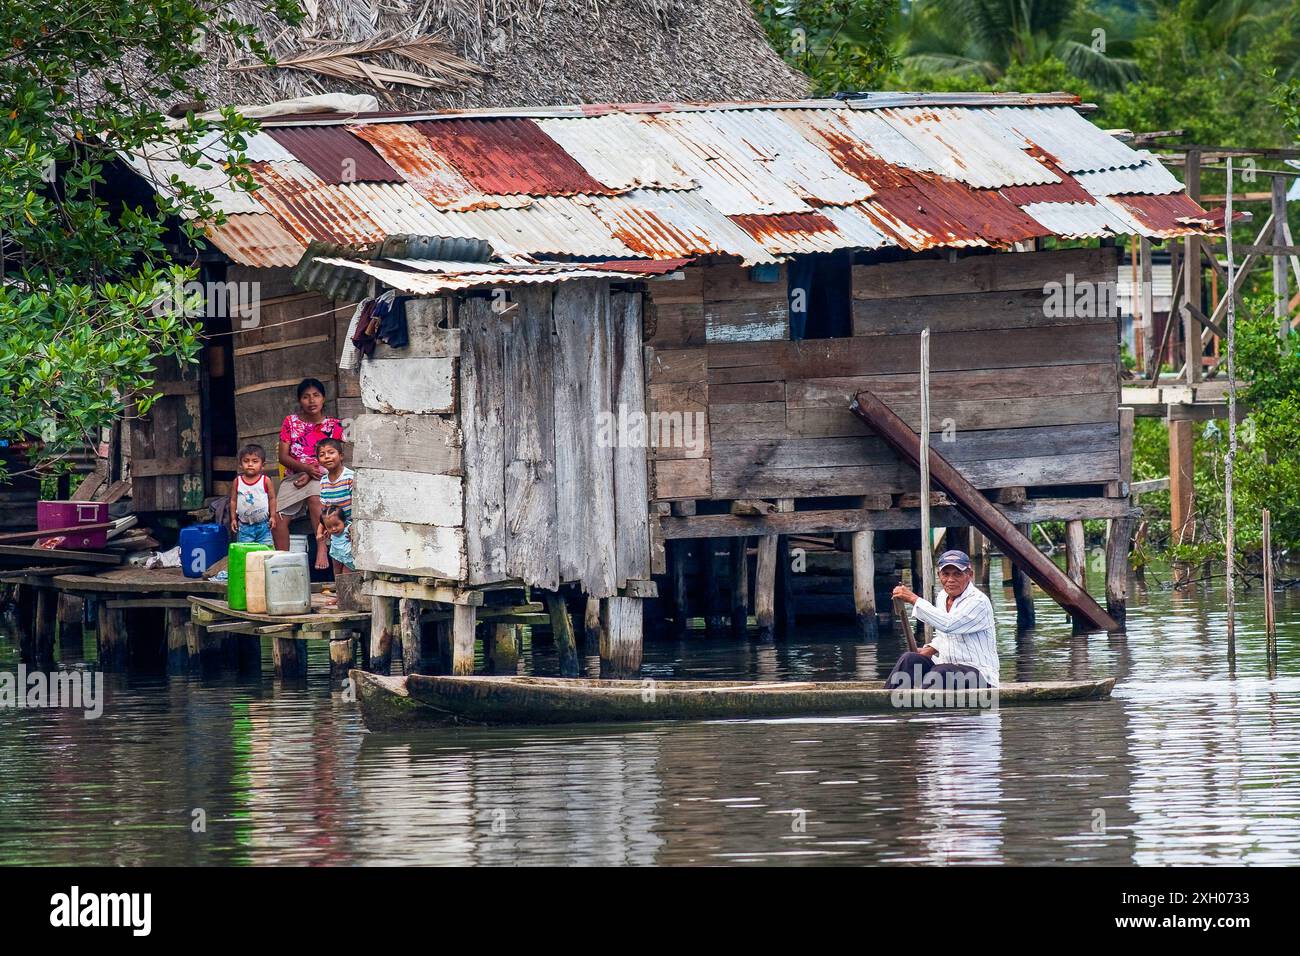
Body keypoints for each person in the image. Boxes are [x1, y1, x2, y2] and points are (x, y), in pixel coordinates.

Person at [885, 549, 999, 690]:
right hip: (948, 667)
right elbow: (945, 635)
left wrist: (914, 599)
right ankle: (886, 703)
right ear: (939, 575)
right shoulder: (942, 597)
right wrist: (931, 649)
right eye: (945, 574)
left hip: (980, 675)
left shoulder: (978, 601)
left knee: (941, 672)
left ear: (969, 575)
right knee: (910, 659)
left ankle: (920, 706)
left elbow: (949, 624)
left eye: (957, 574)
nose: (950, 580)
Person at [272, 378, 343, 555]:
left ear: (324, 398)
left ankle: (321, 548)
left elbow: (335, 459)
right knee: (278, 519)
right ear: (299, 400)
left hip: (323, 475)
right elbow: (283, 457)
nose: (312, 401)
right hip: (294, 478)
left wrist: (311, 473)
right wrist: (305, 469)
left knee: (314, 497)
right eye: (306, 397)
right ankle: (283, 560)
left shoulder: (333, 425)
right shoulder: (291, 422)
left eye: (316, 396)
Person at [314, 437, 354, 569]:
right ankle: (338, 589)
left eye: (331, 452)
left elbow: (358, 507)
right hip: (335, 531)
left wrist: (355, 527)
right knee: (336, 565)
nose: (327, 457)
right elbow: (325, 511)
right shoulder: (323, 481)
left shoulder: (349, 477)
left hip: (350, 531)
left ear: (341, 456)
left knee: (349, 567)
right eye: (322, 454)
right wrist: (321, 531)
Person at [229, 444, 277, 545]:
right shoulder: (237, 481)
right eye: (246, 461)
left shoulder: (265, 480)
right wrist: (233, 519)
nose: (250, 464)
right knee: (246, 554)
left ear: (263, 465)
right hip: (245, 527)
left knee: (266, 554)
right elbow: (233, 501)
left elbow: (272, 499)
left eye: (255, 461)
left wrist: (273, 516)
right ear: (240, 464)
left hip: (264, 526)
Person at [318, 505, 355, 574]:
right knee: (336, 569)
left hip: (347, 556)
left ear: (344, 520)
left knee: (346, 573)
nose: (333, 529)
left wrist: (353, 536)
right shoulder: (329, 533)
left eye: (336, 525)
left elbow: (356, 531)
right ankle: (337, 583)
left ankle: (344, 584)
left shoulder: (348, 528)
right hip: (336, 553)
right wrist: (320, 534)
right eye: (329, 527)